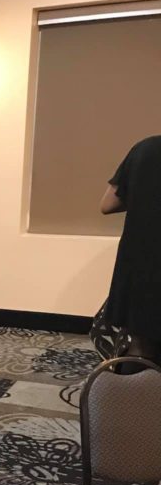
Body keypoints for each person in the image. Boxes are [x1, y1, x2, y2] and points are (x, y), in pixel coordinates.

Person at [100, 135, 161, 364]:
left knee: (141, 347)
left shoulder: (145, 149)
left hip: (142, 263)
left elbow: (107, 205)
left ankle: (135, 395)